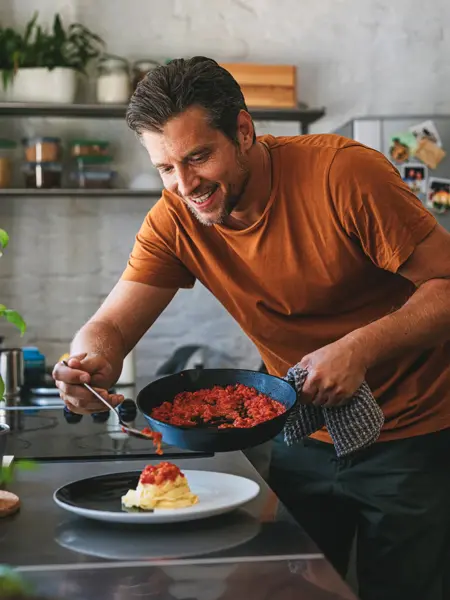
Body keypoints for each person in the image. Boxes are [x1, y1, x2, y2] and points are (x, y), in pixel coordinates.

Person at [52, 57, 450, 600]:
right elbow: (110, 327)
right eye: (166, 168)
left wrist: (360, 348)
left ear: (243, 132)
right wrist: (87, 362)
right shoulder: (175, 217)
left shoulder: (344, 175)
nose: (186, 185)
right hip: (296, 434)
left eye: (198, 157)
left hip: (415, 436)